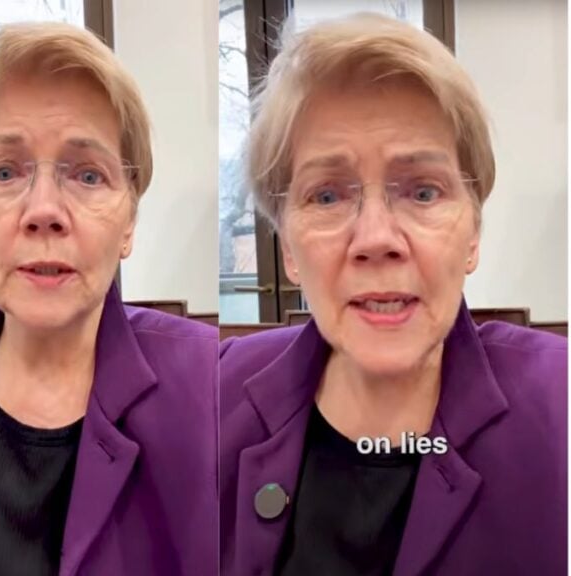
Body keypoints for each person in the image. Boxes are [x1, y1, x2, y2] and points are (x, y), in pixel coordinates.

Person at [220, 13, 566, 576]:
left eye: (423, 191)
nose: (376, 239)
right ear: (287, 247)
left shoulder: (559, 406)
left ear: (473, 234)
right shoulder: (212, 394)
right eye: (327, 195)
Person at [0, 22, 218, 576]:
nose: (43, 209)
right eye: (4, 171)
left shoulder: (213, 386)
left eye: (87, 175)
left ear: (128, 224)